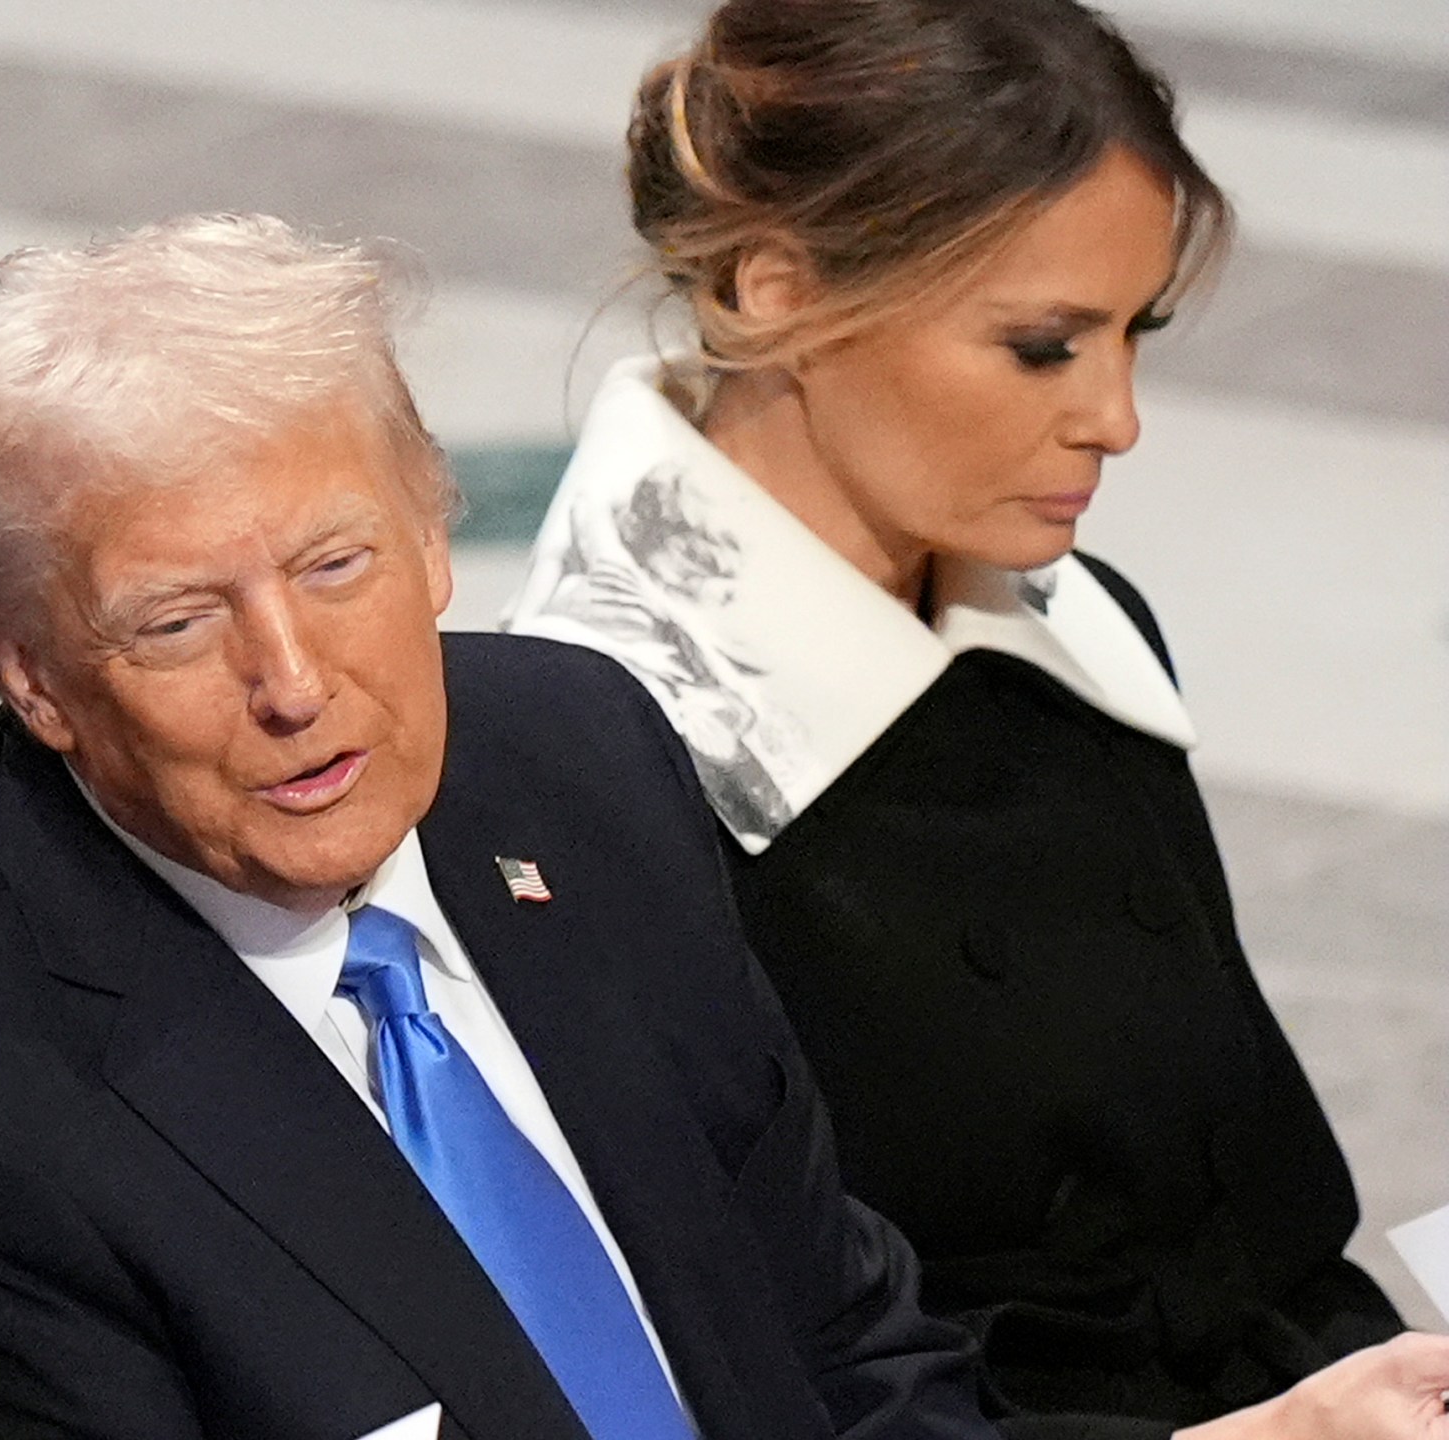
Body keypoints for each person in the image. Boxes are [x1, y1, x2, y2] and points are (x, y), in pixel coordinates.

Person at [0, 213, 994, 1440]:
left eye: (336, 567)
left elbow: (839, 1338)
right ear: (27, 672)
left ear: (434, 533)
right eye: (179, 622)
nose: (291, 683)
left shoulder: (576, 757)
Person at [501, 3, 1449, 1437]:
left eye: (1137, 334)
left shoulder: (1081, 628)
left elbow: (1260, 1229)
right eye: (1044, 346)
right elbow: (726, 1381)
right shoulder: (594, 780)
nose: (1118, 419)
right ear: (773, 290)